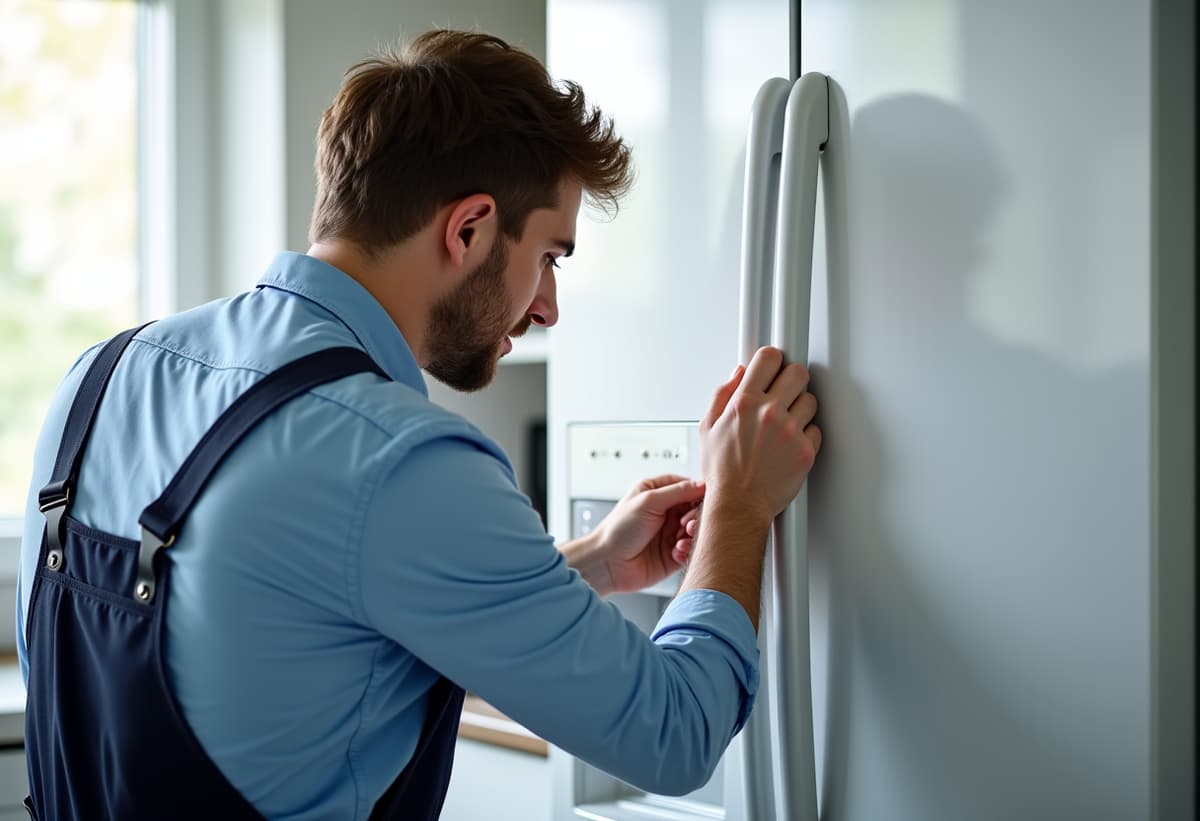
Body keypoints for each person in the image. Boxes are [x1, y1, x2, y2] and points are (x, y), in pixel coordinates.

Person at [15, 29, 821, 820]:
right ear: (468, 229)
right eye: (549, 255)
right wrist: (739, 509)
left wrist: (597, 564)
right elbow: (674, 732)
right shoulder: (400, 459)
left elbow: (303, 619)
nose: (547, 305)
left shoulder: (99, 375)